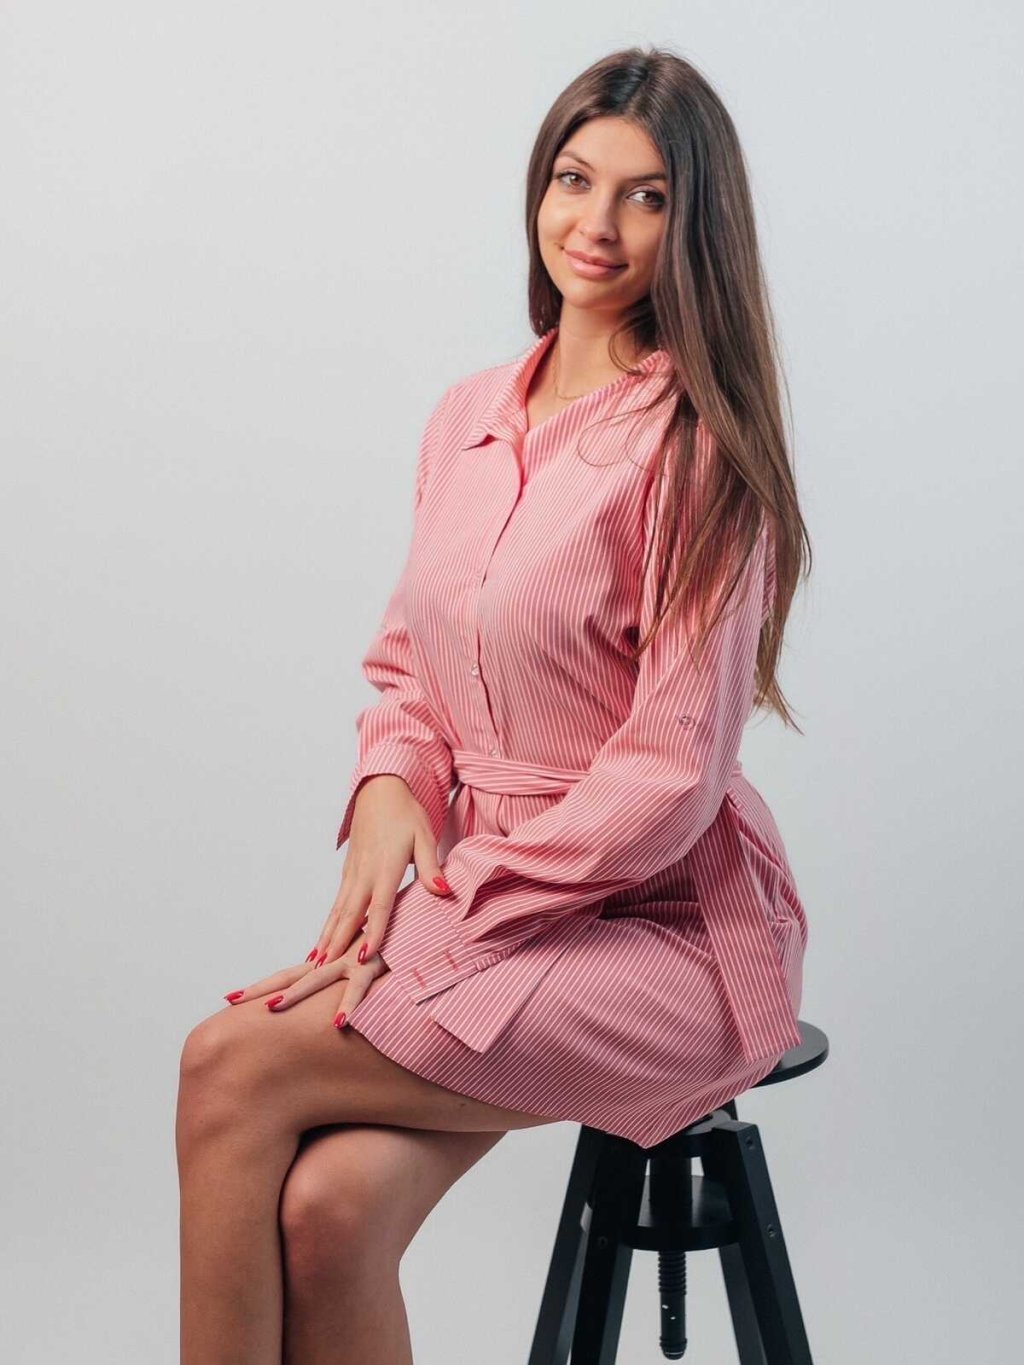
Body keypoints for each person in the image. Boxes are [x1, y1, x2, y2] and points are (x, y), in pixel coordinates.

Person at [176, 43, 813, 1363]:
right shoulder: (465, 419)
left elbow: (668, 779)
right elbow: (412, 668)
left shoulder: (696, 449)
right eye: (576, 178)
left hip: (664, 940)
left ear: (696, 227)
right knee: (329, 1213)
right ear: (539, 187)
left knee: (224, 1064)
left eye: (646, 195)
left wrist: (451, 912)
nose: (598, 222)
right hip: (499, 922)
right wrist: (390, 786)